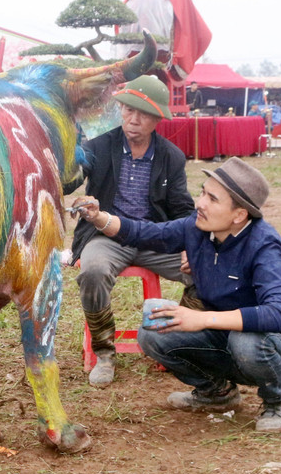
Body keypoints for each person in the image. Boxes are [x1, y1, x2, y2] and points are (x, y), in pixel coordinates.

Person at [72, 157, 281, 432]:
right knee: (153, 334)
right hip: (226, 337)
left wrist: (202, 320)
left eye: (213, 199)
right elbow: (144, 233)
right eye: (202, 192)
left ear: (239, 215)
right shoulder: (195, 229)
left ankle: (277, 400)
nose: (200, 203)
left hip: (277, 347)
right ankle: (217, 393)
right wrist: (98, 217)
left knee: (246, 342)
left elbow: (277, 313)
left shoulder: (264, 244)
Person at [70, 75, 197, 388]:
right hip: (107, 234)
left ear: (157, 119)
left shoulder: (171, 157)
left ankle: (176, 342)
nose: (134, 119)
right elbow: (68, 180)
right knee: (93, 271)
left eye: (143, 114)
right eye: (128, 110)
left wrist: (192, 247)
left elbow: (182, 210)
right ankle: (104, 352)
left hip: (155, 236)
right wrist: (77, 190)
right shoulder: (98, 147)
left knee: (205, 269)